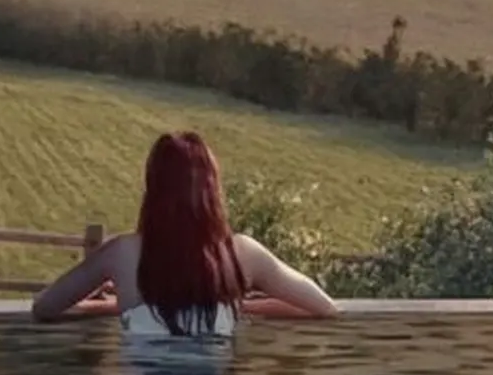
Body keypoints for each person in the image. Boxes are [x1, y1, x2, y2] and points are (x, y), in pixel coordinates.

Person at [30, 131, 341, 341]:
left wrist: (112, 305)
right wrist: (239, 306)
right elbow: (324, 307)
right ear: (212, 189)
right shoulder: (242, 255)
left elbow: (44, 307)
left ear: (153, 188)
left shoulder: (122, 254)